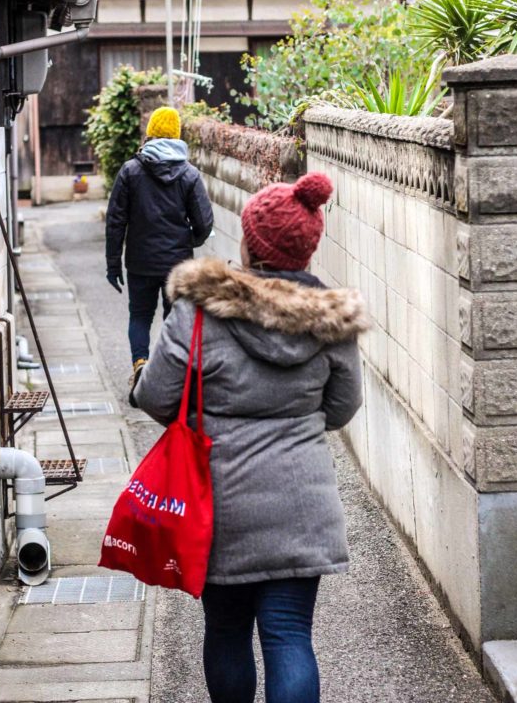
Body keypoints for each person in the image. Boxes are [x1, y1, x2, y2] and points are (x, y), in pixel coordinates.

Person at [135, 171, 369, 703]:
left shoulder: (199, 311)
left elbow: (154, 396)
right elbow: (344, 405)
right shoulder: (331, 320)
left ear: (249, 242)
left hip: (220, 506)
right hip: (304, 505)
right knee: (290, 636)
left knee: (226, 631)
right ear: (308, 249)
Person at [105, 106, 213, 406]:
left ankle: (140, 364)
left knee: (140, 316)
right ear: (177, 134)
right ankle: (170, 379)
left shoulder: (131, 171)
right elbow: (204, 223)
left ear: (150, 133)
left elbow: (115, 221)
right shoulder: (189, 174)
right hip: (177, 265)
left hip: (140, 261)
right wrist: (186, 240)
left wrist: (113, 263)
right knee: (175, 319)